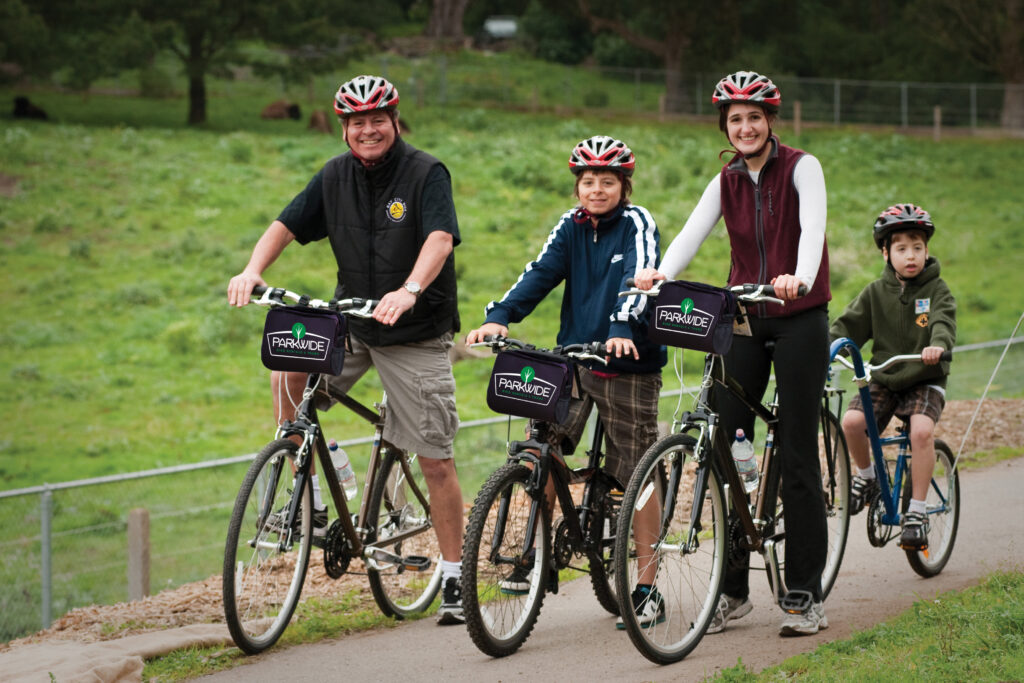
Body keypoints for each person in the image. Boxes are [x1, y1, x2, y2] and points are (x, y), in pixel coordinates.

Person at [227, 75, 466, 625]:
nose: (367, 129)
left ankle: (453, 574)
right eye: (356, 122)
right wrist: (252, 269)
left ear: (394, 121)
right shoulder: (334, 176)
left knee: (434, 458)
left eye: (376, 119)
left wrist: (408, 292)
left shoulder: (426, 173)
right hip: (355, 319)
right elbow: (287, 224)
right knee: (287, 365)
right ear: (344, 129)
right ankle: (313, 465)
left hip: (413, 330)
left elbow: (440, 239)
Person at [634, 70, 832, 636]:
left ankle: (802, 592)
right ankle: (733, 590)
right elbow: (691, 234)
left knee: (795, 454)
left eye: (754, 117)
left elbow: (812, 231)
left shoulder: (802, 167)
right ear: (726, 126)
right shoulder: (725, 180)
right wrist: (660, 274)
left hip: (798, 318)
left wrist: (800, 275)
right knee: (724, 450)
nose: (745, 127)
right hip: (742, 317)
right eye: (735, 120)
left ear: (771, 120)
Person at [465, 135, 667, 628]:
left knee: (637, 471)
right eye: (588, 181)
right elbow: (539, 273)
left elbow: (643, 277)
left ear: (624, 185)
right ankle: (531, 555)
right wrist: (500, 316)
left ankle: (646, 587)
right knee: (543, 446)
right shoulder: (570, 227)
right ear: (578, 186)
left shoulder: (637, 223)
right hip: (575, 357)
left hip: (628, 361)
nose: (596, 190)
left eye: (607, 181)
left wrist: (621, 327)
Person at [831, 204, 956, 549]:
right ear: (886, 253)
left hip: (925, 375)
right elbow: (848, 326)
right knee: (852, 423)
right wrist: (829, 347)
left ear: (927, 250)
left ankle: (916, 510)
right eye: (901, 249)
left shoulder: (938, 291)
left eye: (917, 247)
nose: (911, 255)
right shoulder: (875, 292)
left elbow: (943, 323)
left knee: (921, 431)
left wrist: (938, 344)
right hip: (885, 376)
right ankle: (867, 477)